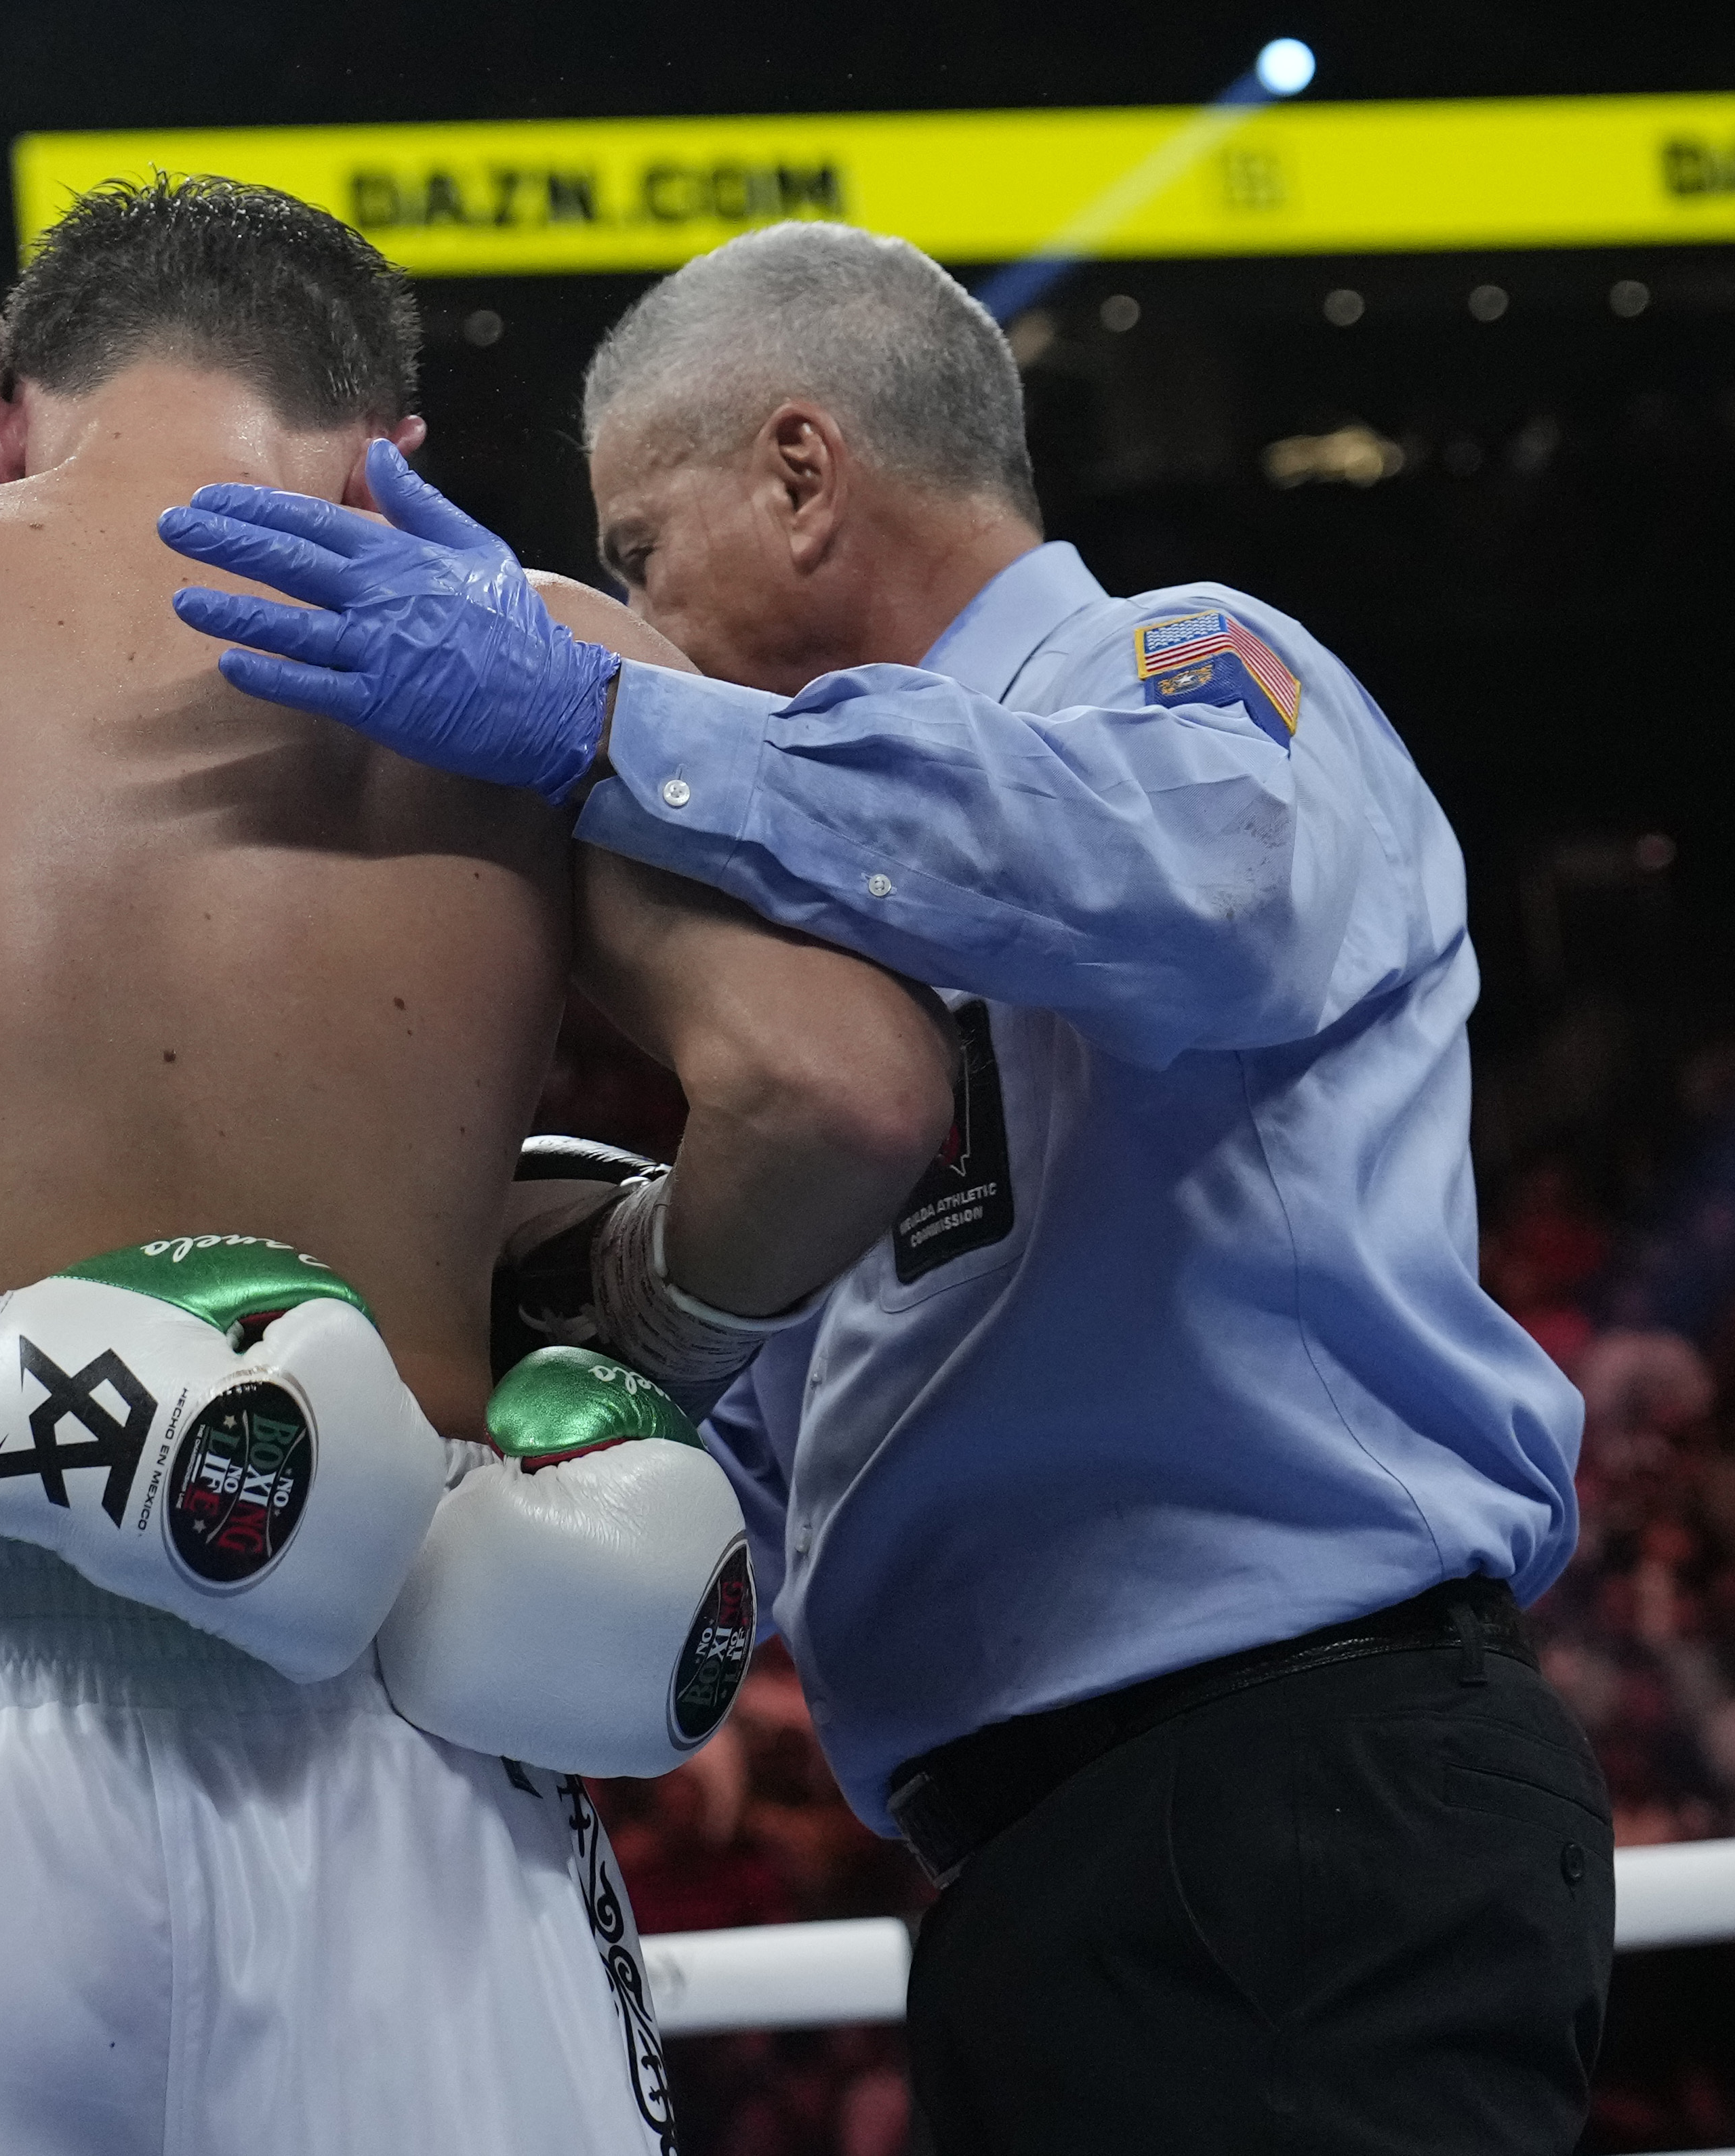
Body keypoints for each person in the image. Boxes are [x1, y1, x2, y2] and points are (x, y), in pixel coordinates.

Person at [0, 179, 953, 2155]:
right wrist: (13, 1393)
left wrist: (589, 1348)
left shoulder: (450, 666)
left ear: (31, 420)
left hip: (341, 1692)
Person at [161, 219, 1609, 2154]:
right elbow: (814, 1412)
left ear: (802, 473)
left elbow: (1193, 899)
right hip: (1046, 1852)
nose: (630, 621)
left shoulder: (1184, 667)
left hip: (1289, 1777)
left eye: (635, 558)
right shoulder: (847, 906)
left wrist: (607, 720)